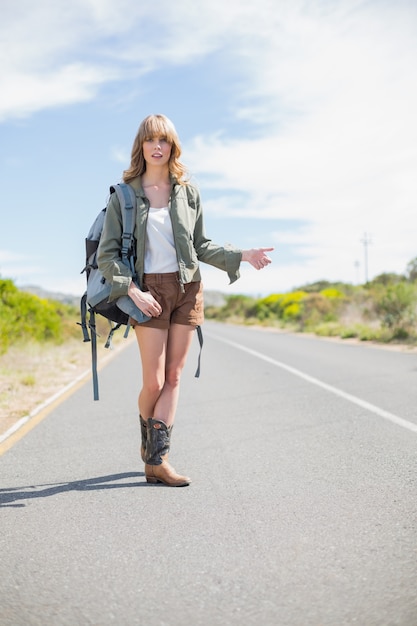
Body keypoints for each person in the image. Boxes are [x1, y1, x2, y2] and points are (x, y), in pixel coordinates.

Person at [97, 114, 273, 487]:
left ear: (172, 146)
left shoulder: (187, 192)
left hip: (187, 286)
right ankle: (149, 450)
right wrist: (133, 291)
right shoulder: (124, 195)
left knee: (174, 377)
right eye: (150, 141)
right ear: (140, 146)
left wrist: (243, 254)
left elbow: (201, 244)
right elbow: (107, 255)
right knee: (153, 381)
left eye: (163, 140)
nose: (157, 147)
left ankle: (158, 460)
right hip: (147, 292)